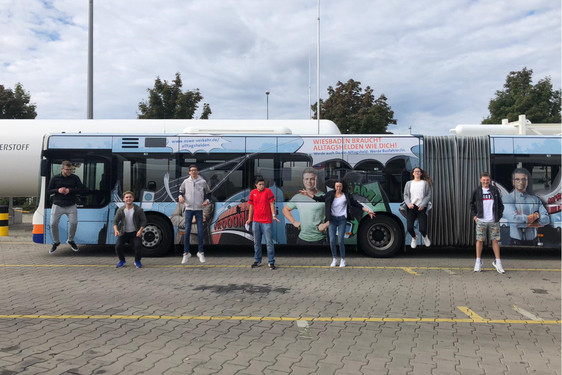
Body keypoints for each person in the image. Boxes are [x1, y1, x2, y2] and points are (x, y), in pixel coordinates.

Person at [303, 180, 375, 268]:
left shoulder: (346, 196)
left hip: (342, 220)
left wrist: (368, 211)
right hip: (332, 220)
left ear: (342, 187)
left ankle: (343, 259)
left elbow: (356, 204)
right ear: (334, 187)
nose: (338, 188)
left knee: (340, 241)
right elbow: (320, 199)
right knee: (332, 240)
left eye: (340, 186)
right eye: (337, 186)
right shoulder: (330, 195)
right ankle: (334, 259)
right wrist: (308, 195)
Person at [502, 167, 550, 245]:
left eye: (524, 179)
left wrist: (524, 221)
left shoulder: (535, 199)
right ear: (513, 182)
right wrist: (536, 216)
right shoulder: (507, 199)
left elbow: (546, 219)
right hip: (515, 242)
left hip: (534, 241)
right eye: (517, 179)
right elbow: (513, 219)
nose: (521, 182)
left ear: (527, 182)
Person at [470, 172, 505, 274]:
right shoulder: (477, 191)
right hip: (481, 220)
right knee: (479, 240)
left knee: (495, 241)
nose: (486, 182)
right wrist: (474, 216)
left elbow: (500, 205)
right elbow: (471, 203)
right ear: (481, 180)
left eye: (487, 180)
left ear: (490, 181)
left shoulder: (494, 190)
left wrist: (499, 216)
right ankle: (478, 261)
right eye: (484, 180)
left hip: (493, 220)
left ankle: (498, 262)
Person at [282, 168, 328, 245]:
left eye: (312, 179)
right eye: (306, 179)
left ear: (316, 180)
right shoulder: (298, 197)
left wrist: (326, 225)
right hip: (301, 239)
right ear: (303, 181)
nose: (309, 182)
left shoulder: (324, 196)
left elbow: (336, 213)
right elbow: (285, 209)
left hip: (320, 239)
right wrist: (293, 222)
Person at [47, 160, 84, 254]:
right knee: (53, 224)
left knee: (74, 223)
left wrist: (70, 190)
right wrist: (58, 190)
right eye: (67, 170)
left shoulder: (75, 178)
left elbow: (82, 190)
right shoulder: (55, 178)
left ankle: (70, 240)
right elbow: (48, 191)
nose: (69, 172)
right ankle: (56, 242)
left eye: (70, 170)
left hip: (71, 204)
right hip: (57, 204)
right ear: (62, 169)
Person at [178, 165, 211, 264]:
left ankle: (200, 252)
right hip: (188, 209)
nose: (193, 172)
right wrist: (180, 197)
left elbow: (209, 193)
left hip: (199, 209)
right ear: (189, 172)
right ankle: (186, 253)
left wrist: (207, 201)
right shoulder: (185, 182)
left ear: (198, 171)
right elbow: (180, 191)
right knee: (187, 230)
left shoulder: (202, 182)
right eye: (191, 170)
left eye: (195, 170)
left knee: (200, 231)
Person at [246, 177, 280, 269]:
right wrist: (249, 219)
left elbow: (272, 204)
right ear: (256, 185)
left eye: (263, 184)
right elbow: (251, 207)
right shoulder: (253, 193)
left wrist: (273, 215)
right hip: (256, 221)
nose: (262, 186)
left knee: (269, 242)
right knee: (256, 242)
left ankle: (271, 261)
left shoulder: (268, 191)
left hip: (267, 221)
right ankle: (257, 260)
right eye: (260, 184)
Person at [113, 191, 147, 268]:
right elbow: (115, 221)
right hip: (124, 233)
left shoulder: (138, 210)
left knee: (138, 246)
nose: (128, 199)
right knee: (118, 246)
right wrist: (116, 230)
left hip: (135, 233)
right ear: (124, 199)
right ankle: (122, 261)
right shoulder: (121, 210)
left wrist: (140, 230)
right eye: (127, 197)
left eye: (130, 197)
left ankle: (137, 261)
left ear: (133, 198)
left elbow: (144, 221)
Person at [403, 167, 432, 248]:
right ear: (412, 173)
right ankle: (414, 237)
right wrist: (409, 204)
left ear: (421, 173)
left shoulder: (425, 183)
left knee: (422, 229)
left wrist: (422, 205)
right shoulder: (409, 183)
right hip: (411, 208)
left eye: (418, 171)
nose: (416, 173)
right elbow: (405, 195)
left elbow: (428, 195)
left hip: (421, 208)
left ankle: (425, 236)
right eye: (415, 171)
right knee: (409, 228)